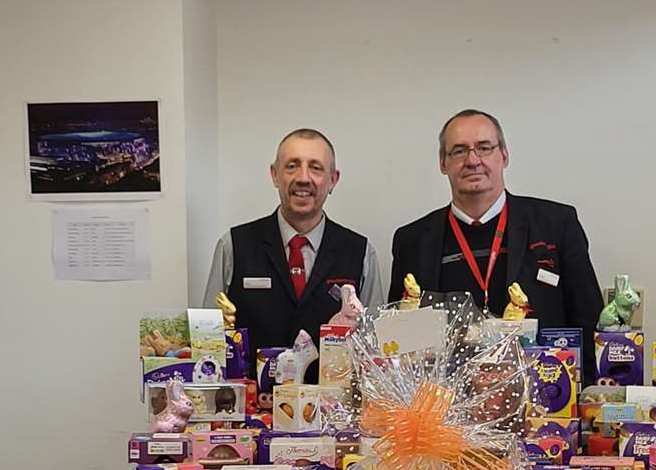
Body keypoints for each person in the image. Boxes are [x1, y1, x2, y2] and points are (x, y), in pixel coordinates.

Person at [388, 109, 604, 378]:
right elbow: (399, 343)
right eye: (458, 151)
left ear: (504, 155)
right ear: (443, 163)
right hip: (445, 408)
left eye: (484, 147)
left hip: (545, 401)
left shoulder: (557, 224)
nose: (472, 160)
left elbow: (589, 321)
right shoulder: (412, 240)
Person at [204, 129, 383, 354]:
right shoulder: (233, 246)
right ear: (275, 175)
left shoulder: (361, 253)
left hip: (335, 389)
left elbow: (375, 348)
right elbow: (207, 341)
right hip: (253, 389)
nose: (303, 178)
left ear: (333, 180)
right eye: (292, 166)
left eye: (316, 168)